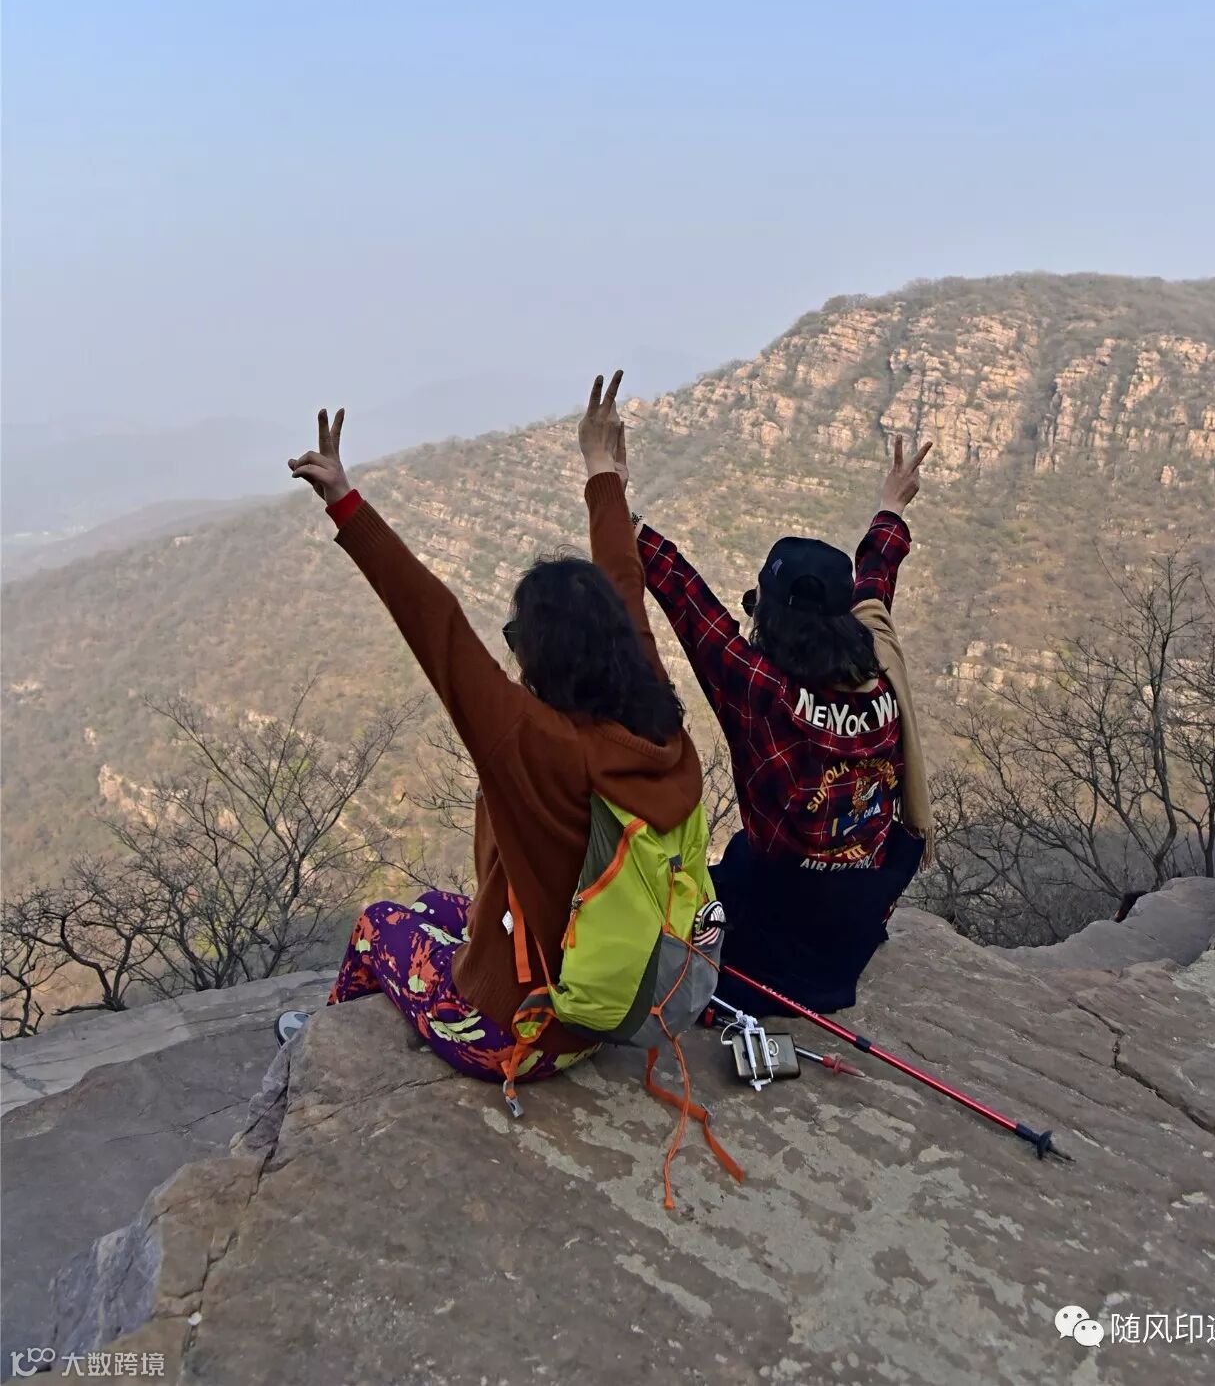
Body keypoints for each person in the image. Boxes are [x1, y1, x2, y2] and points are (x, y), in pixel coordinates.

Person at [281, 373, 704, 1097]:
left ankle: (316, 1048)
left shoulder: (539, 744)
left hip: (520, 1036)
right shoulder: (657, 719)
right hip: (608, 1006)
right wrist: (602, 472)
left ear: (543, 657)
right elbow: (624, 582)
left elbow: (437, 626)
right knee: (437, 907)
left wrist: (346, 504)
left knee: (379, 922)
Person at [629, 434, 936, 1015]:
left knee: (687, 898)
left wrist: (620, 509)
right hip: (855, 921)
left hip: (777, 928)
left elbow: (690, 603)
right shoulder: (880, 663)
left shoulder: (764, 693)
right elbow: (876, 581)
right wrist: (891, 508)